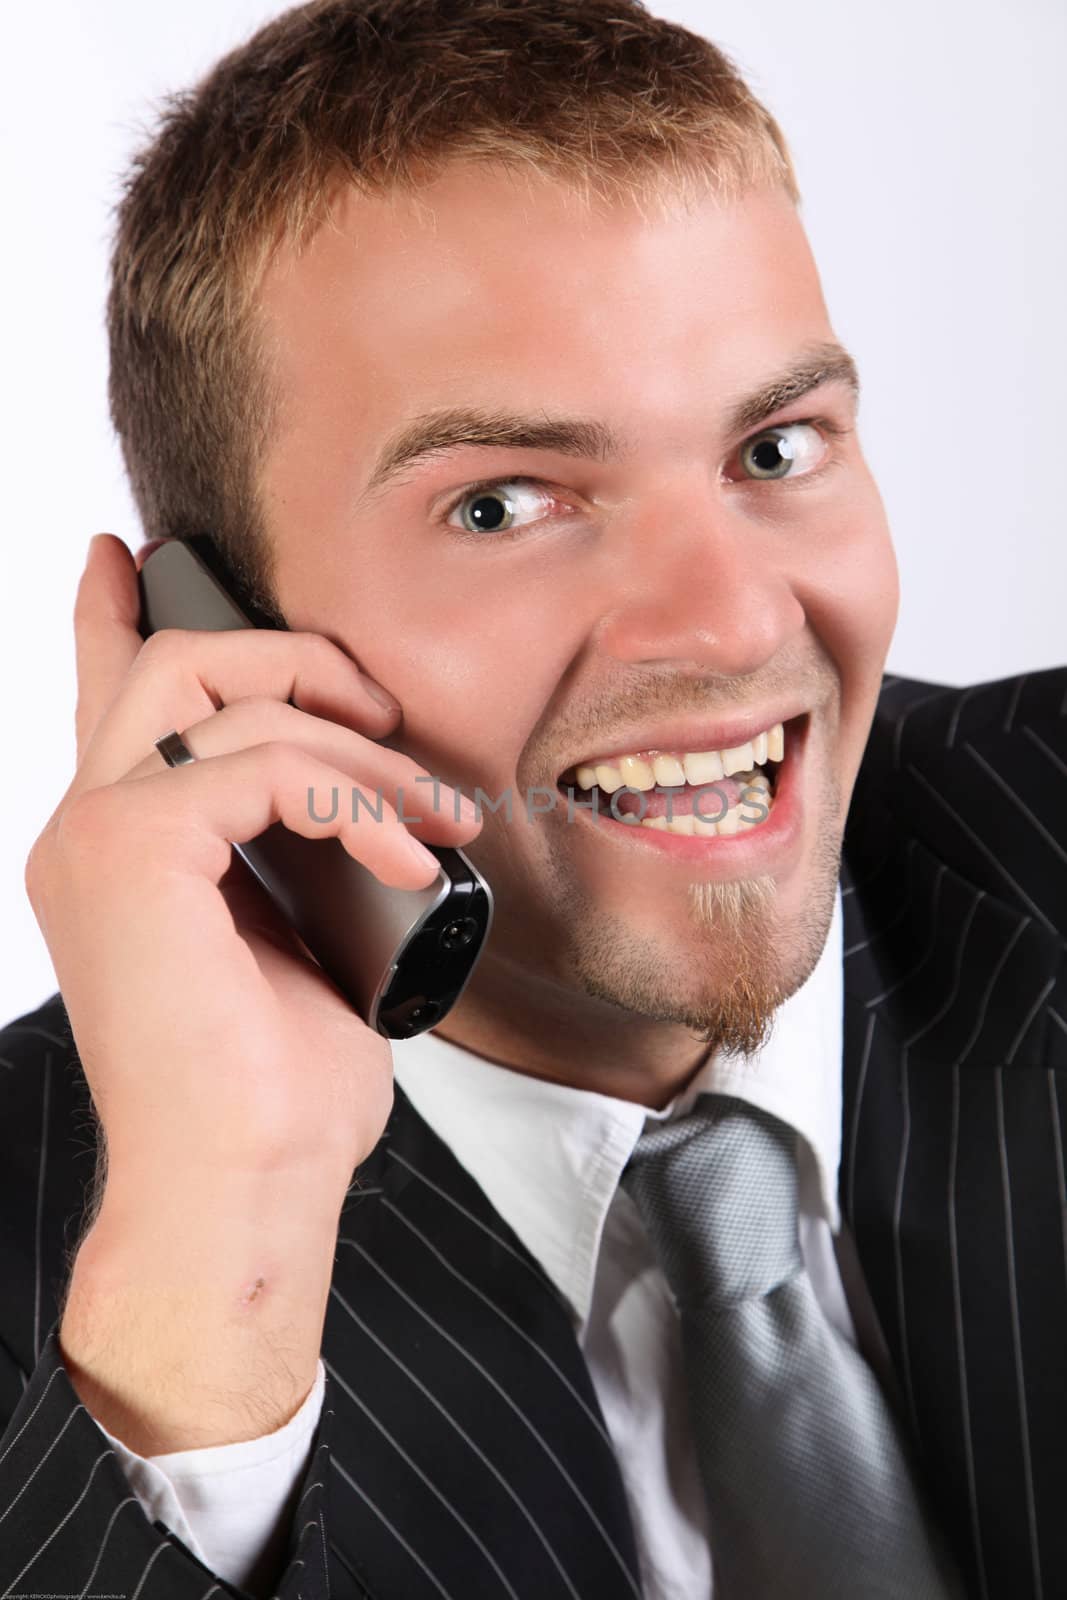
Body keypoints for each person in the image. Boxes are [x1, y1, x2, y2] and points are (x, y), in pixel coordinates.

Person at [1, 1, 1063, 1595]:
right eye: (502, 503)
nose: (730, 625)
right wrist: (219, 1259)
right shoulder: (72, 1272)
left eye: (776, 451)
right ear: (213, 633)